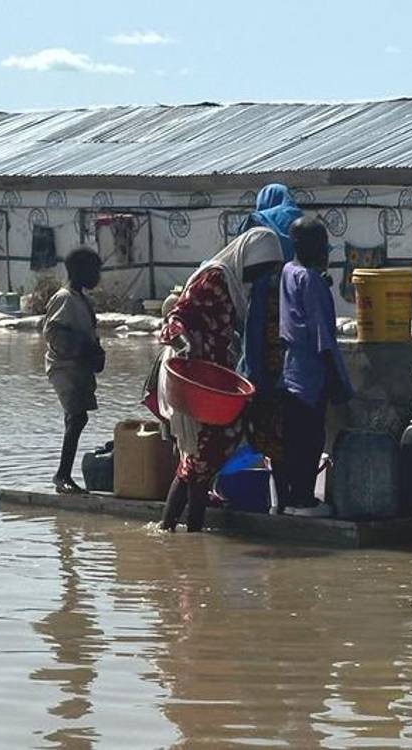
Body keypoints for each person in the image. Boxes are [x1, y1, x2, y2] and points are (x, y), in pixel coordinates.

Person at [151, 227, 284, 531]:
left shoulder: (235, 283)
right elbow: (177, 316)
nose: (259, 278)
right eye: (260, 270)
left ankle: (173, 530)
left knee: (199, 458)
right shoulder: (214, 279)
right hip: (195, 379)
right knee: (202, 455)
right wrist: (184, 342)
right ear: (248, 259)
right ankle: (188, 531)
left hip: (216, 379)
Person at [277, 217, 352, 511]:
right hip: (311, 372)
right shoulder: (310, 280)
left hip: (290, 370)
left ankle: (286, 501)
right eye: (322, 247)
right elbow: (322, 336)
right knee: (310, 440)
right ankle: (304, 500)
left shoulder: (288, 271)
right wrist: (336, 380)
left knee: (292, 441)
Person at [238, 185, 304, 491]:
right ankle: (294, 492)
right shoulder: (299, 228)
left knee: (265, 421)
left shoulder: (258, 227)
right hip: (295, 351)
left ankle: (277, 493)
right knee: (293, 424)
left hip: (264, 340)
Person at [42, 248, 105, 494]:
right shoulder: (64, 298)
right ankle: (62, 475)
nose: (97, 276)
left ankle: (63, 474)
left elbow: (89, 332)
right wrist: (83, 347)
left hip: (78, 367)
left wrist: (96, 352)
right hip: (64, 367)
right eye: (94, 271)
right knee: (77, 417)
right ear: (79, 271)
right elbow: (53, 333)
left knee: (77, 418)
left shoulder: (82, 300)